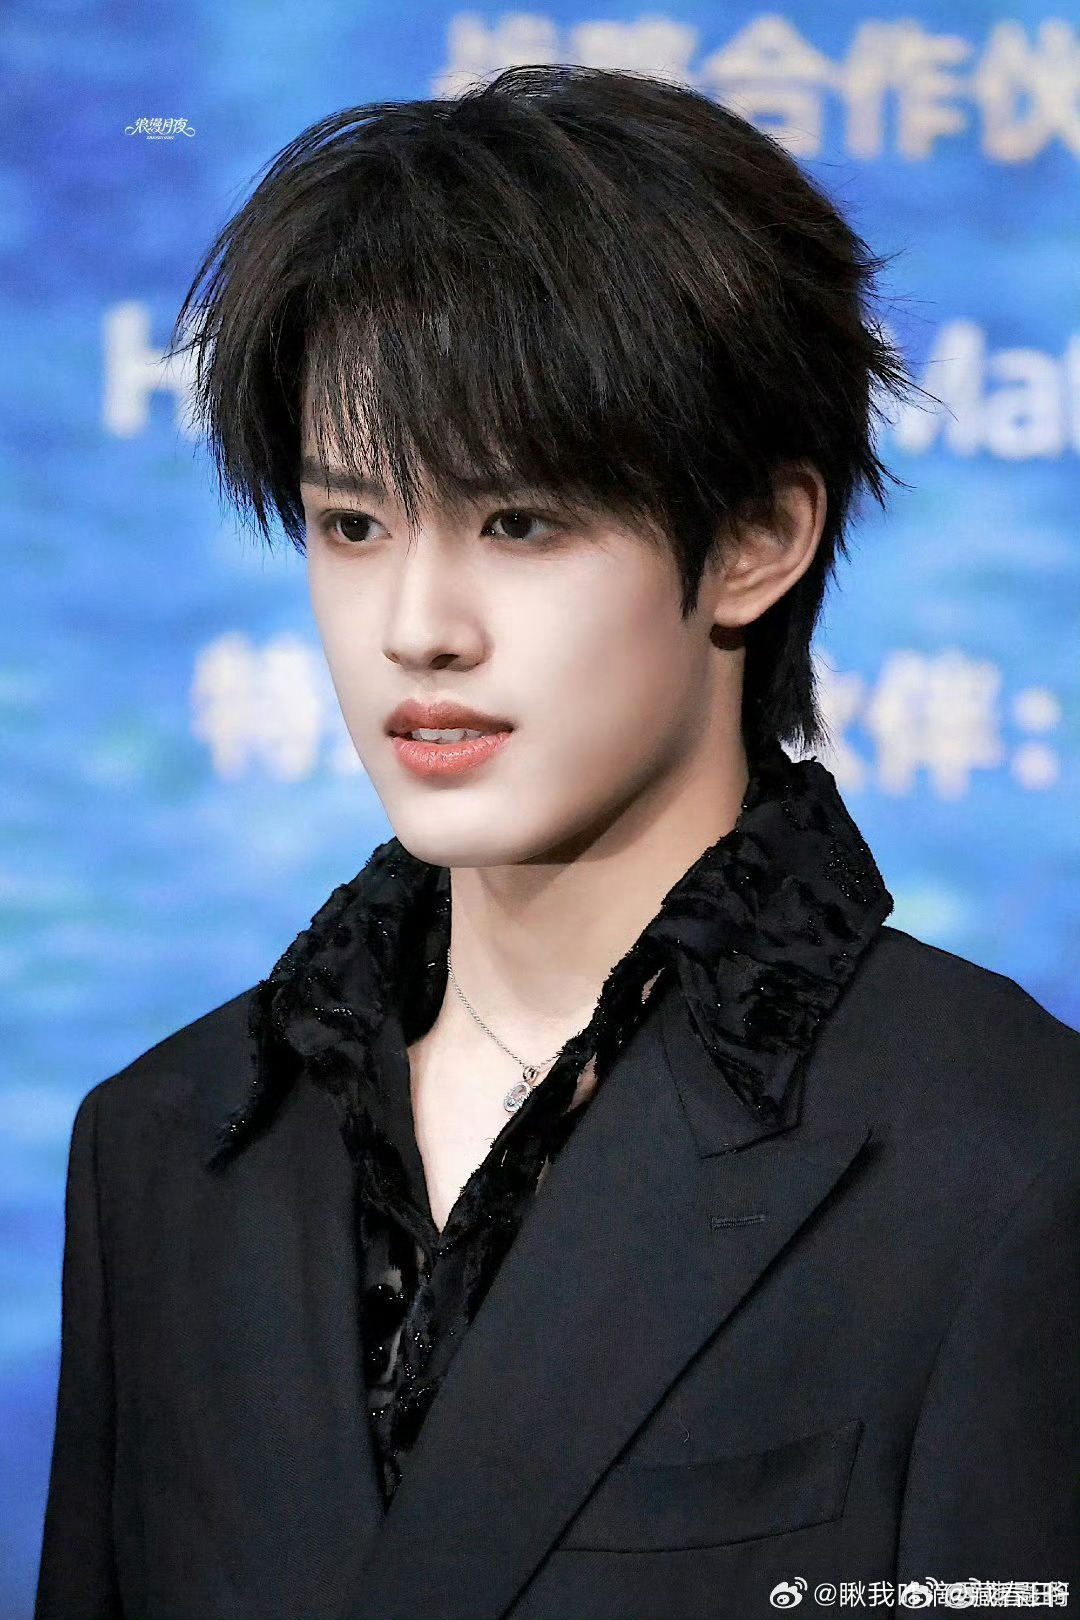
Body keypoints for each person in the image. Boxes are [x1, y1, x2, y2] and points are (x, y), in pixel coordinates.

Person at [35, 64, 1078, 1620]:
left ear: (757, 540)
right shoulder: (164, 1144)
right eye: (352, 525)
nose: (417, 628)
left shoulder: (1007, 1153)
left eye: (517, 523)